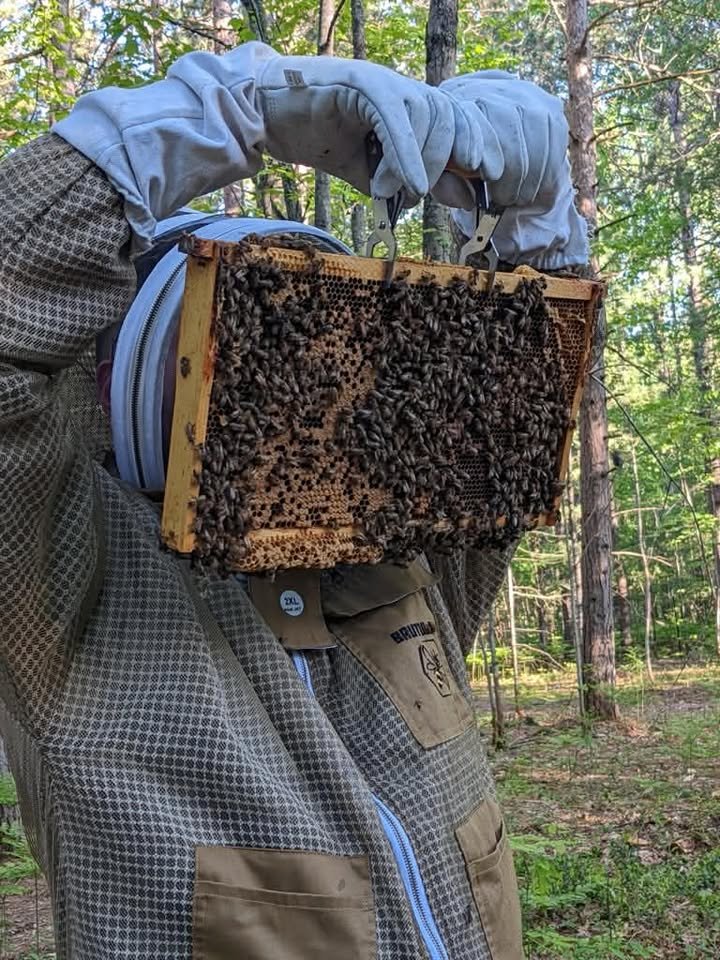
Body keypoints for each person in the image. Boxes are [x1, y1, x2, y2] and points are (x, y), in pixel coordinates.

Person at [0, 41, 587, 960]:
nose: (313, 398)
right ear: (128, 378)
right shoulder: (69, 591)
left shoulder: (399, 561)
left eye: (337, 364)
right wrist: (233, 113)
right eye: (256, 360)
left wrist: (535, 212)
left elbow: (517, 405)